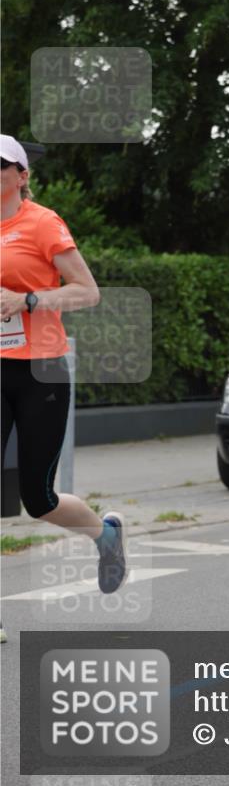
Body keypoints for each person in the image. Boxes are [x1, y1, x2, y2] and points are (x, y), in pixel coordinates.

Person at [0, 135, 128, 643]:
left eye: (0, 165)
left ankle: (106, 536)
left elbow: (87, 292)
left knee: (39, 498)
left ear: (21, 174)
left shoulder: (42, 223)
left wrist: (28, 301)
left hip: (40, 372)